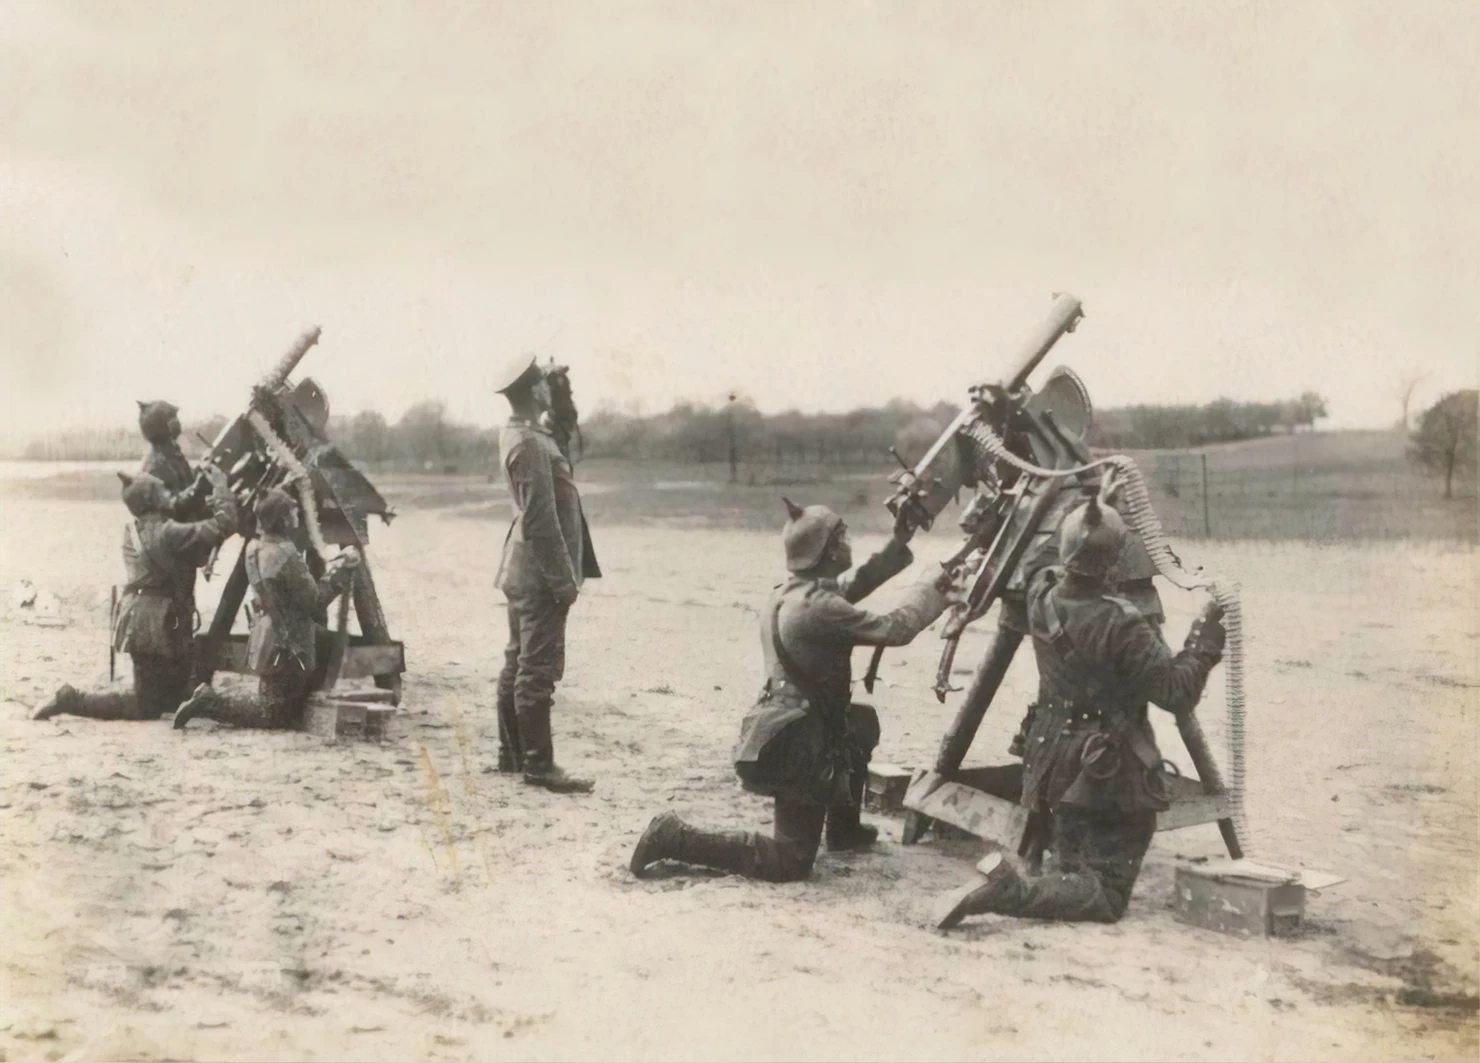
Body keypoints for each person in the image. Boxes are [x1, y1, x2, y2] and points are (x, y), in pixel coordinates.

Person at [933, 489, 1225, 928]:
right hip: (1102, 774)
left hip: (1051, 765)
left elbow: (1040, 562)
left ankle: (1043, 876)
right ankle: (1008, 891)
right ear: (1116, 559)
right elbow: (1176, 692)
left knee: (1069, 866)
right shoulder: (1121, 621)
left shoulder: (1040, 593)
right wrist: (1205, 636)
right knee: (1104, 894)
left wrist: (1083, 517)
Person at [629, 499, 954, 883]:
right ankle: (675, 837)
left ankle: (844, 829)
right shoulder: (820, 609)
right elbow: (896, 629)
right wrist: (934, 590)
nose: (849, 542)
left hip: (792, 719)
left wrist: (899, 542)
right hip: (800, 740)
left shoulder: (795, 593)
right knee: (789, 861)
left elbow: (851, 587)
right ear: (828, 551)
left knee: (859, 723)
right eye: (843, 536)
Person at [31, 467, 237, 722]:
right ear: (152, 500)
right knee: (146, 706)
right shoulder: (168, 532)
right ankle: (71, 700)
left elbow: (176, 507)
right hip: (156, 626)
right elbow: (226, 523)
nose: (169, 493)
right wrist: (221, 487)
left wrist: (198, 487)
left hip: (143, 621)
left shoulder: (137, 528)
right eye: (163, 490)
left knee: (174, 696)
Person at [492, 353, 601, 793]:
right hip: (539, 575)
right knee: (536, 669)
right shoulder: (531, 443)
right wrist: (563, 581)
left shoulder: (524, 433)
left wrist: (561, 394)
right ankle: (538, 765)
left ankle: (512, 755)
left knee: (517, 660)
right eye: (543, 384)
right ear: (533, 390)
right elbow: (540, 519)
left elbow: (565, 433)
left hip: (522, 568)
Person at [173, 487, 359, 729]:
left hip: (267, 635)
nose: (296, 515)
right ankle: (210, 702)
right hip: (289, 642)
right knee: (273, 715)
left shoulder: (255, 547)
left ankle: (287, 701)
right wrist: (341, 572)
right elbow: (314, 602)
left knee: (276, 697)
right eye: (292, 511)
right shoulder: (286, 554)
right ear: (282, 518)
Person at [136, 399, 204, 519]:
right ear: (161, 425)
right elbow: (172, 508)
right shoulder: (156, 465)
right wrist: (198, 487)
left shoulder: (172, 453)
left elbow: (187, 481)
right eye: (172, 417)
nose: (177, 422)